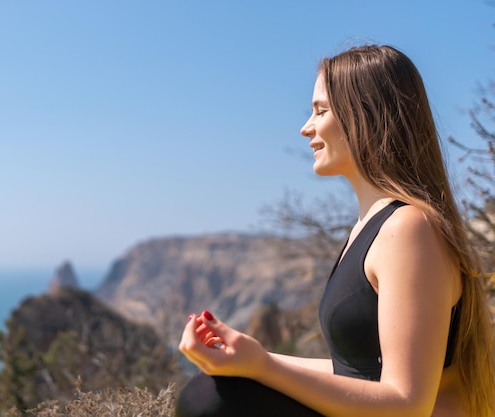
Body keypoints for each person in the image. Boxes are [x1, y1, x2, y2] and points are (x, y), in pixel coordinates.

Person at [175, 44, 495, 417]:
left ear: (366, 116)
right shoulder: (371, 226)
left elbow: (408, 403)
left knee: (208, 400)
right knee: (212, 392)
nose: (306, 127)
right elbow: (357, 376)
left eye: (320, 111)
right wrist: (252, 359)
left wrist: (264, 367)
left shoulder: (409, 229)